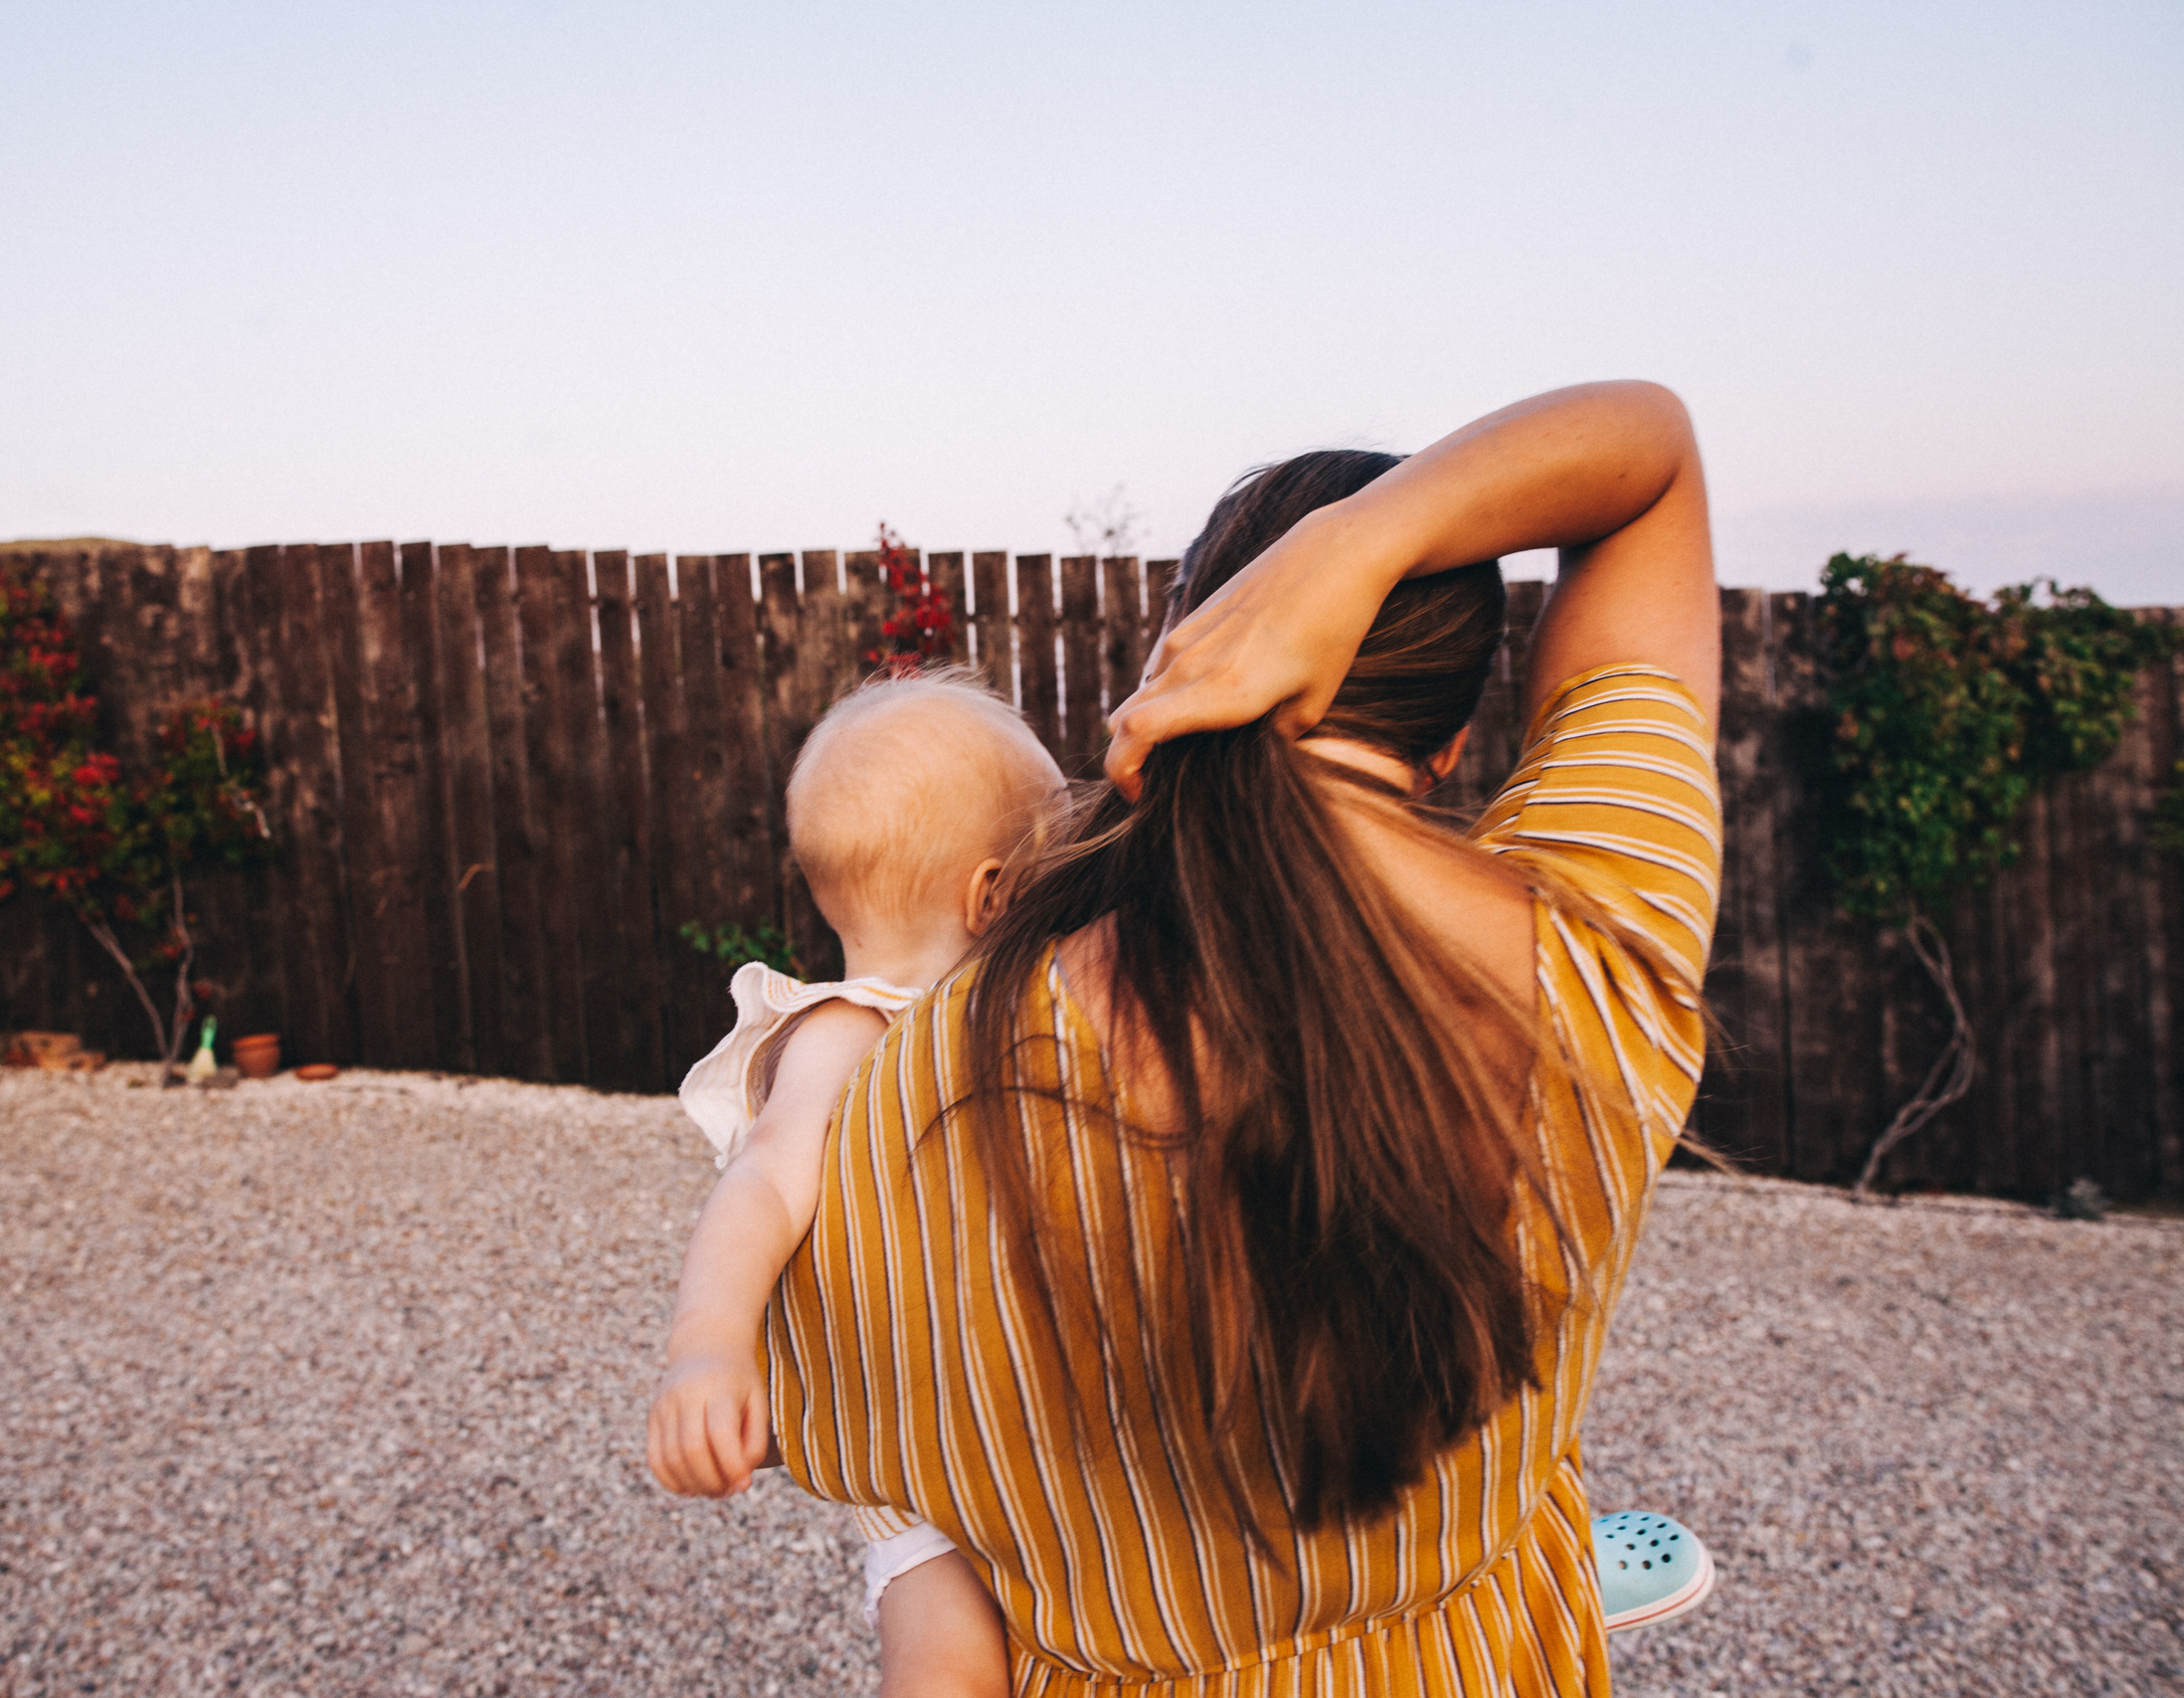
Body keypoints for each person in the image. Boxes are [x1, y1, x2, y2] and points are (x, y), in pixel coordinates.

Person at [763, 380, 1726, 1695]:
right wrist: (1373, 538)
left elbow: (865, 1455)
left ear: (1182, 655)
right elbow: (1648, 457)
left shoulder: (906, 1093)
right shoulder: (1598, 950)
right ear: (1448, 745)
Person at [647, 670, 1065, 1696]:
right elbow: (765, 1185)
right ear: (994, 894)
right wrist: (707, 1349)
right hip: (917, 1465)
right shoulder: (849, 1031)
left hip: (1031, 1429)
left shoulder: (1024, 1015)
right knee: (947, 1668)